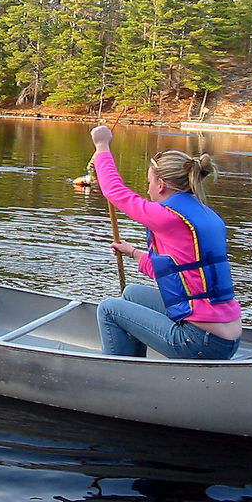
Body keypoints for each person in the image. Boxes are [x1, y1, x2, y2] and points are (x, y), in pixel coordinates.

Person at [90, 125, 242, 359]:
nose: (148, 189)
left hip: (200, 341)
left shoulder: (167, 216)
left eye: (149, 182)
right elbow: (180, 273)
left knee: (109, 308)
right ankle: (136, 363)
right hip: (226, 338)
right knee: (131, 294)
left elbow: (114, 191)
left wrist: (102, 145)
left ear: (161, 185)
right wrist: (133, 252)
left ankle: (119, 376)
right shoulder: (206, 216)